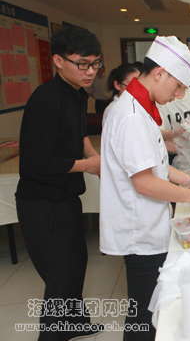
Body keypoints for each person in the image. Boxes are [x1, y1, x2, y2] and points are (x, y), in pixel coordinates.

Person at [100, 36, 190, 340]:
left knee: (150, 308)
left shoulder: (141, 107)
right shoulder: (130, 115)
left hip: (149, 221)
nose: (179, 94)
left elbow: (156, 165)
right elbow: (144, 182)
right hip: (138, 228)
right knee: (144, 313)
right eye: (178, 86)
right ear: (159, 74)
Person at [16, 26, 104, 341]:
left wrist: (97, 160)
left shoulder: (78, 93)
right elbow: (36, 163)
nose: (90, 71)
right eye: (83, 64)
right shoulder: (45, 99)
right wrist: (86, 166)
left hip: (66, 197)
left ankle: (75, 323)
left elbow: (79, 135)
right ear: (58, 60)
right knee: (60, 276)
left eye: (95, 64)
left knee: (76, 263)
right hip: (41, 202)